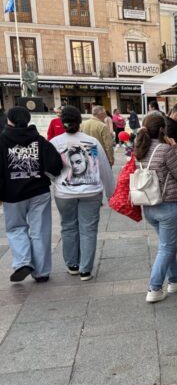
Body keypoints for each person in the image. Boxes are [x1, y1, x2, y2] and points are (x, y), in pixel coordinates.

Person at [50, 106, 115, 281]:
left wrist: (56, 180)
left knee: (68, 227)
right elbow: (104, 168)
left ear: (62, 122)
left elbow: (48, 168)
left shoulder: (55, 142)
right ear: (80, 122)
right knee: (88, 229)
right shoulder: (92, 142)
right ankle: (86, 269)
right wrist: (111, 192)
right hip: (91, 191)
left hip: (64, 192)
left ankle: (72, 264)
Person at [0, 107, 63, 282]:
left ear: (9, 120)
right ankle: (42, 272)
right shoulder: (39, 140)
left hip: (12, 194)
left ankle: (22, 262)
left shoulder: (3, 140)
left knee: (15, 228)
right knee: (40, 230)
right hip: (39, 191)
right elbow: (55, 164)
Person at [133, 112, 177, 303]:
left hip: (148, 205)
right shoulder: (165, 150)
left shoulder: (140, 148)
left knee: (167, 245)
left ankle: (174, 280)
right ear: (162, 130)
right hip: (166, 205)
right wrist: (175, 149)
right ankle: (154, 288)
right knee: (166, 247)